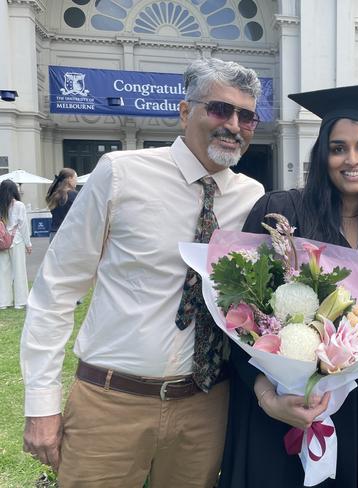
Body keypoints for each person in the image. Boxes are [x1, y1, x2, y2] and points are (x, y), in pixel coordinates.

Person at [20, 58, 265, 487]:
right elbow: (56, 288)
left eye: (246, 115)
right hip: (111, 403)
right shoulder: (121, 174)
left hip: (206, 407)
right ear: (185, 111)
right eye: (220, 110)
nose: (234, 125)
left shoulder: (253, 198)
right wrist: (42, 404)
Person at [219, 84, 358, 488]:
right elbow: (235, 314)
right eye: (338, 147)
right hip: (282, 409)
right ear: (322, 153)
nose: (351, 160)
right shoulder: (281, 212)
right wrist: (265, 393)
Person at [0, 179, 32, 309]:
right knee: (19, 271)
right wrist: (28, 244)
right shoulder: (19, 205)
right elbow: (23, 226)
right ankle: (20, 302)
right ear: (14, 190)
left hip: (2, 241)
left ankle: (3, 302)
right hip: (16, 240)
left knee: (3, 273)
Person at [46, 168, 78, 242]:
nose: (76, 181)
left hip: (54, 233)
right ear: (70, 179)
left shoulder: (54, 195)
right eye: (75, 178)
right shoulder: (73, 195)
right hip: (68, 234)